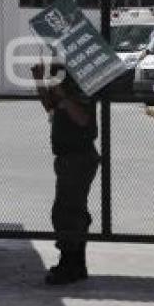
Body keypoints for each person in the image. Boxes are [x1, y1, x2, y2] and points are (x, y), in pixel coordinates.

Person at [33, 62, 101, 285]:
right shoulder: (62, 83)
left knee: (66, 213)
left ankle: (69, 266)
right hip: (67, 158)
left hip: (78, 157)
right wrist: (40, 80)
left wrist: (62, 95)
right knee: (73, 211)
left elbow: (83, 119)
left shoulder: (81, 86)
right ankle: (77, 264)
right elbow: (50, 107)